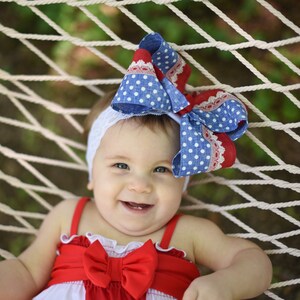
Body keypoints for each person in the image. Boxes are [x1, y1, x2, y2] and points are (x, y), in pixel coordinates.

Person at [0, 32, 272, 300]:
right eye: (121, 165)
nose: (140, 185)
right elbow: (26, 271)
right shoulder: (68, 217)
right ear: (92, 173)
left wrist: (225, 285)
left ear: (183, 182)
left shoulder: (190, 233)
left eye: (161, 169)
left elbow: (252, 261)